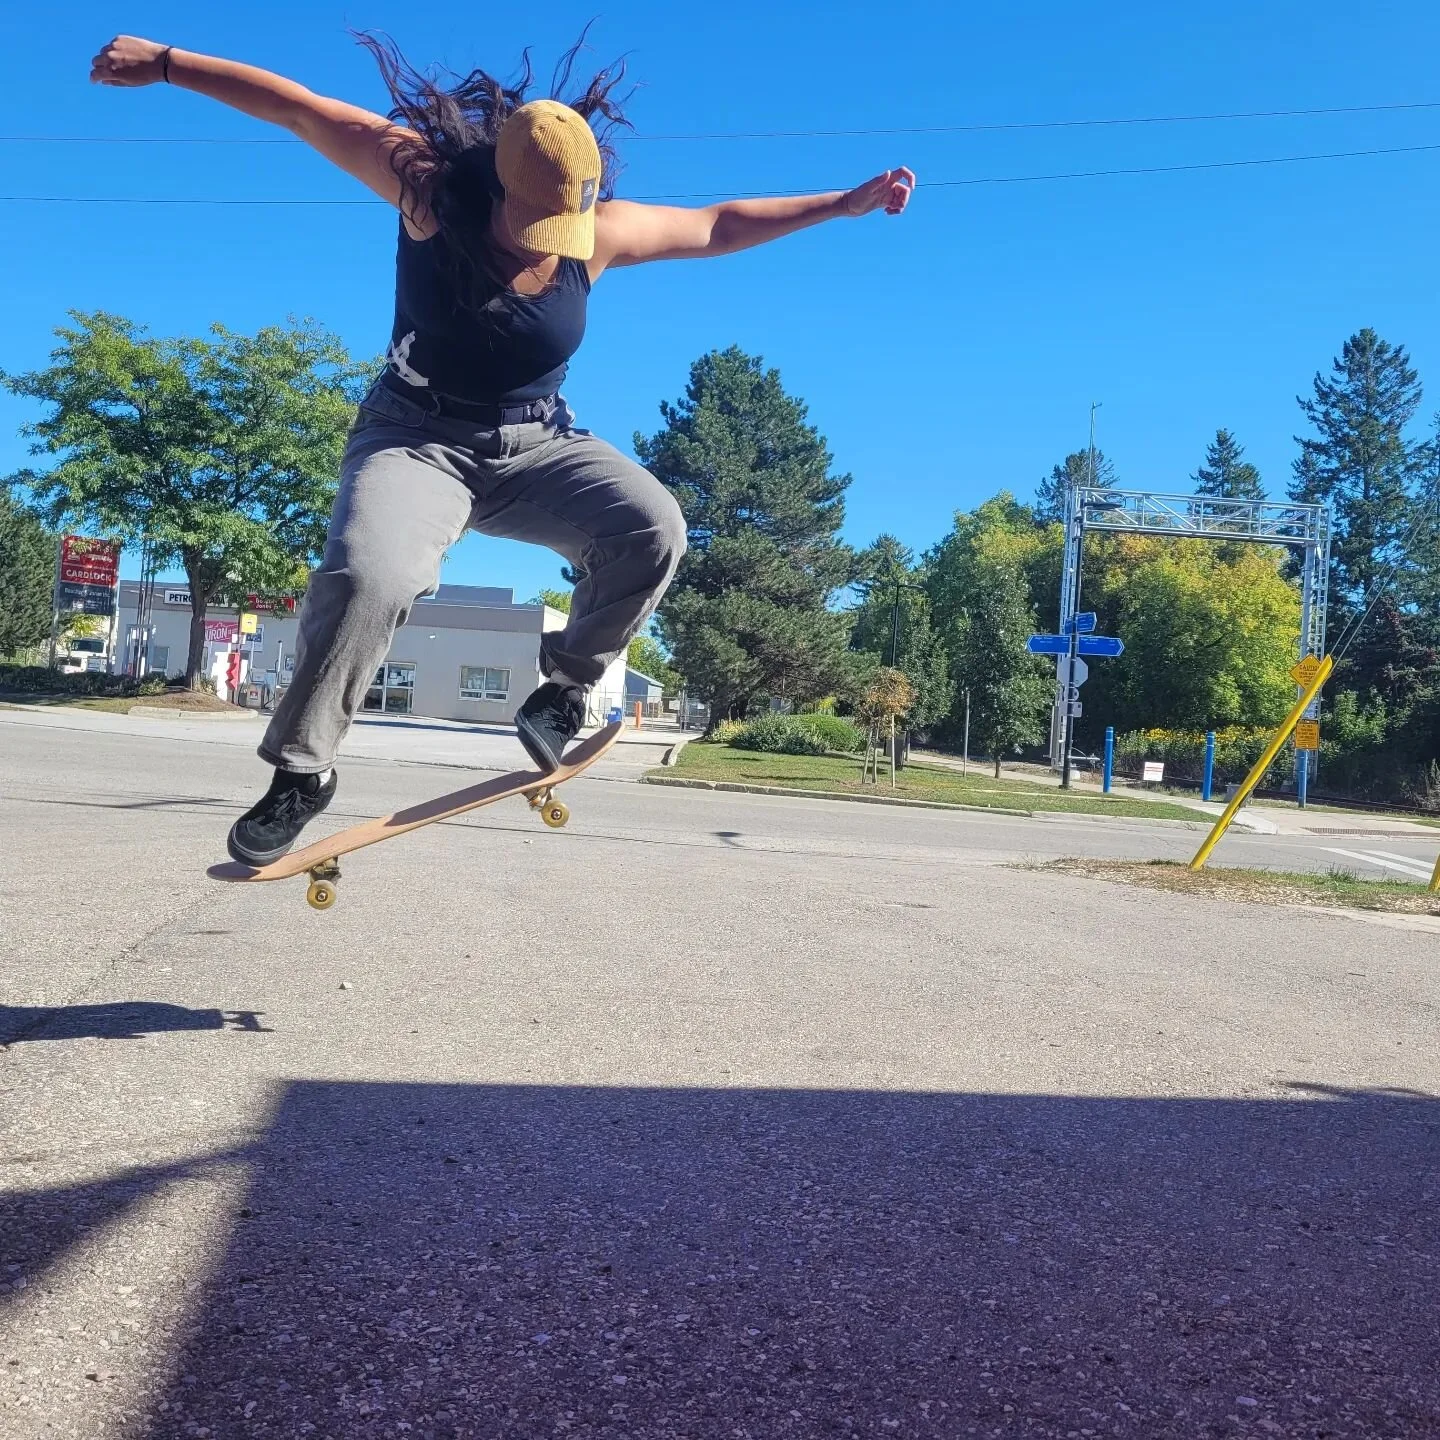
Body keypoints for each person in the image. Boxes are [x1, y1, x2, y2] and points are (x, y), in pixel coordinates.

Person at [90, 33, 915, 865]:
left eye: (563, 228)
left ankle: (564, 691)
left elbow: (715, 225)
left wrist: (838, 205)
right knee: (371, 576)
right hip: (415, 439)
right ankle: (303, 770)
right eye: (530, 225)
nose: (545, 244)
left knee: (655, 527)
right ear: (497, 184)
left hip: (536, 443)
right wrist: (167, 64)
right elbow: (300, 111)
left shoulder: (596, 233)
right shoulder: (423, 187)